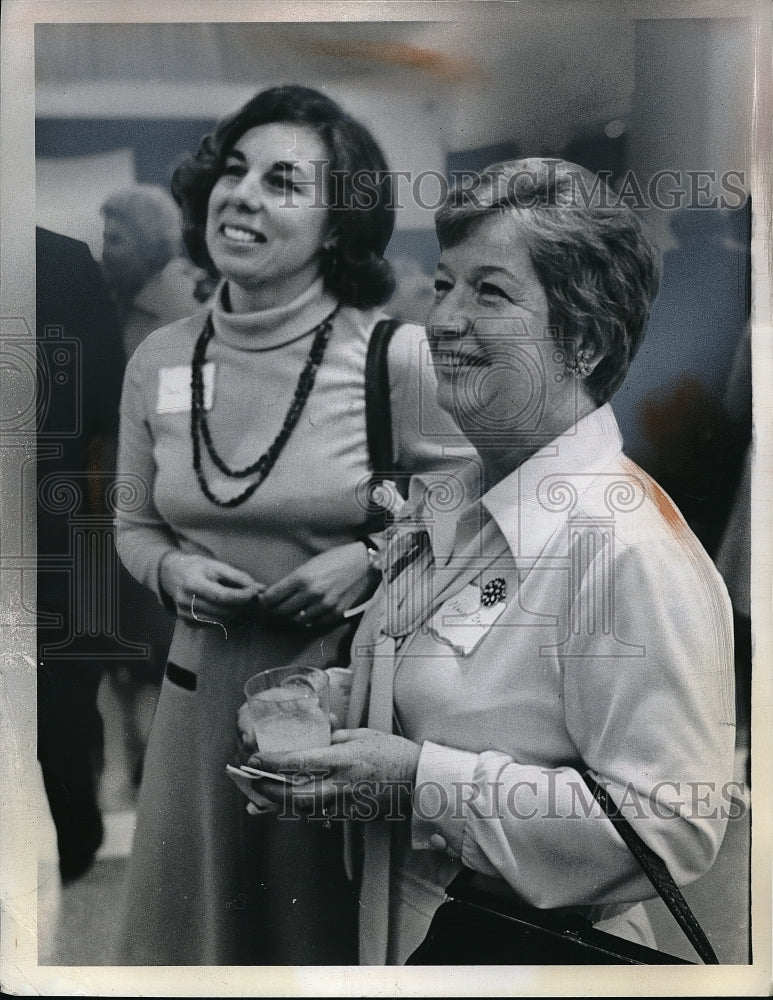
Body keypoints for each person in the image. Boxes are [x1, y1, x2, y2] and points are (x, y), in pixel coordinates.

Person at [242, 159, 737, 965]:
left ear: (583, 340)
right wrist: (325, 702)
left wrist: (418, 780)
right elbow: (454, 690)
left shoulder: (627, 548)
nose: (441, 320)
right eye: (443, 285)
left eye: (490, 293)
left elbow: (670, 828)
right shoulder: (461, 501)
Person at [113, 84, 471, 965]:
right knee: (192, 955)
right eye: (234, 171)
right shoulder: (158, 358)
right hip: (193, 711)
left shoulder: (393, 357)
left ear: (337, 224)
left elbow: (474, 507)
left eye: (281, 182)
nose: (242, 196)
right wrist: (169, 571)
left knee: (314, 954)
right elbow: (132, 524)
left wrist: (370, 557)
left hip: (334, 715)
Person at [36, 226, 125, 882]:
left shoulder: (62, 261)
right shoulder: (63, 260)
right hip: (58, 525)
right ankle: (72, 837)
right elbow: (105, 408)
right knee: (60, 702)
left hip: (56, 530)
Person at [101, 183, 213, 361]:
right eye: (105, 239)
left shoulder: (183, 308)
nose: (105, 252)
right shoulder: (123, 297)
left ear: (151, 247)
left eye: (115, 240)